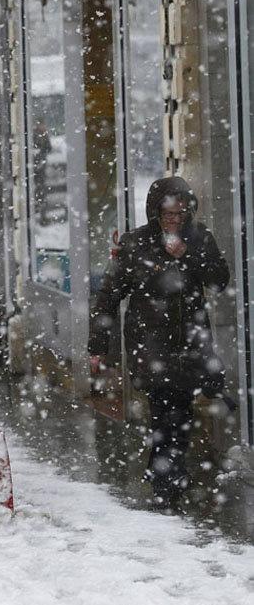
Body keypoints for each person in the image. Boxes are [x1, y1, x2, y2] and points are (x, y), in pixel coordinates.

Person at [88, 176, 230, 509]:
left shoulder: (199, 238)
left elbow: (219, 280)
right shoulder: (136, 243)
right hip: (149, 346)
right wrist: (97, 347)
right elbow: (108, 297)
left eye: (180, 213)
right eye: (168, 214)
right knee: (165, 412)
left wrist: (189, 255)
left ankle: (165, 477)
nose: (175, 219)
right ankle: (167, 483)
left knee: (177, 414)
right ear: (156, 212)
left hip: (189, 345)